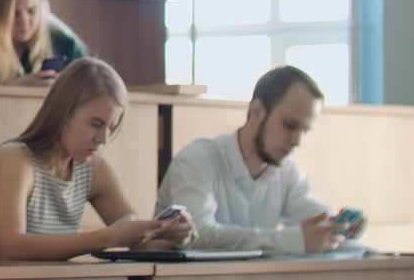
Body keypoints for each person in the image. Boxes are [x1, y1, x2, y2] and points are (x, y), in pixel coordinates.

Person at [0, 58, 194, 261]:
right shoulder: (14, 159)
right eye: (96, 124)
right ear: (64, 113)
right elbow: (10, 249)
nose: (103, 139)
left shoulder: (94, 169)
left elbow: (141, 244)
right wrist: (108, 237)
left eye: (111, 128)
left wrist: (176, 235)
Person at [156, 65, 368, 255]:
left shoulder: (287, 172)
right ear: (257, 111)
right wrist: (293, 240)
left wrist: (345, 230)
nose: (297, 141)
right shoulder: (198, 159)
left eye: (305, 131)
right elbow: (195, 235)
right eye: (290, 125)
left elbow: (317, 230)